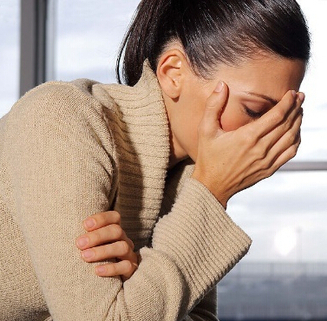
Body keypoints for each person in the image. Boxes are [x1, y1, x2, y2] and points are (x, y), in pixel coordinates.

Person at [0, 0, 310, 319]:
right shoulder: (60, 121)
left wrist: (139, 284)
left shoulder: (189, 173)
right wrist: (213, 192)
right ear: (173, 73)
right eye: (255, 111)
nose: (266, 134)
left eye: (283, 117)